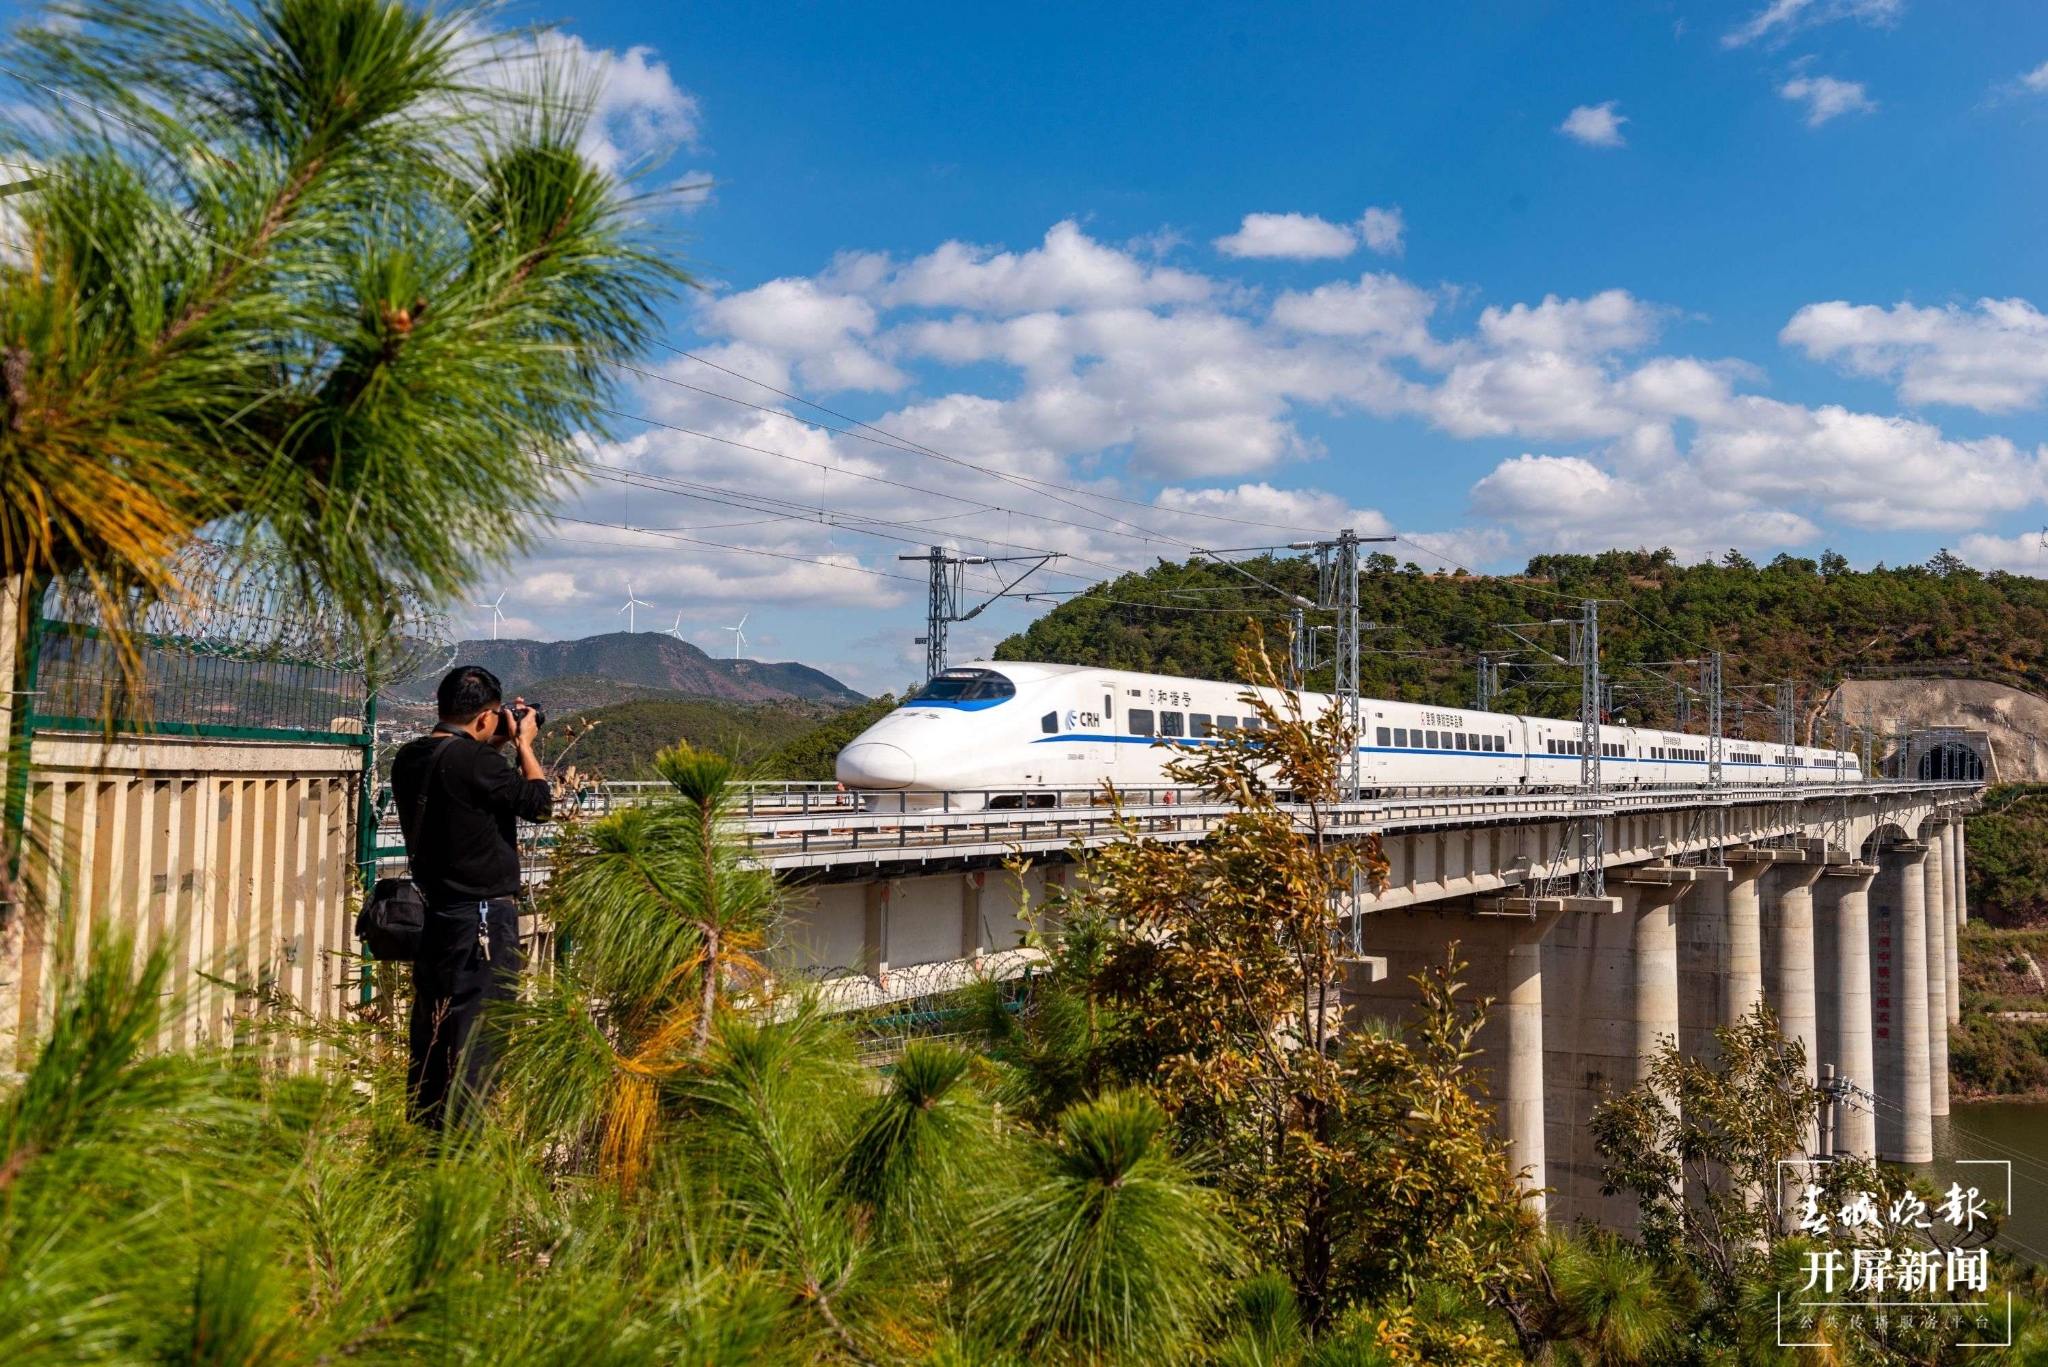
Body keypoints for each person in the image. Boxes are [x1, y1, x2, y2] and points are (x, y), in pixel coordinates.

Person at [390, 664, 552, 1129]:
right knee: (478, 1043)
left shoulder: (411, 757)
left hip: (434, 917)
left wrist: (494, 741)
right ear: (485, 717)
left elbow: (464, 781)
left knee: (435, 1038)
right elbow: (539, 804)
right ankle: (464, 1155)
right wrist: (523, 742)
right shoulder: (480, 763)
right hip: (481, 921)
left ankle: (424, 1141)